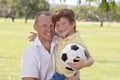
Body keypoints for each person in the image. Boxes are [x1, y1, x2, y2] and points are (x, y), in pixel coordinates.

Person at [50, 8, 94, 80]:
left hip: (68, 77)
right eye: (57, 25)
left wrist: (84, 63)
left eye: (63, 23)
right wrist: (40, 35)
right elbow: (56, 33)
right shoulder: (63, 35)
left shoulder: (77, 41)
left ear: (73, 23)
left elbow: (91, 59)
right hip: (56, 74)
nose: (60, 27)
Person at [21, 11, 58, 80]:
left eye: (52, 25)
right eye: (44, 25)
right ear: (35, 27)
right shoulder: (31, 52)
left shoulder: (61, 44)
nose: (49, 29)